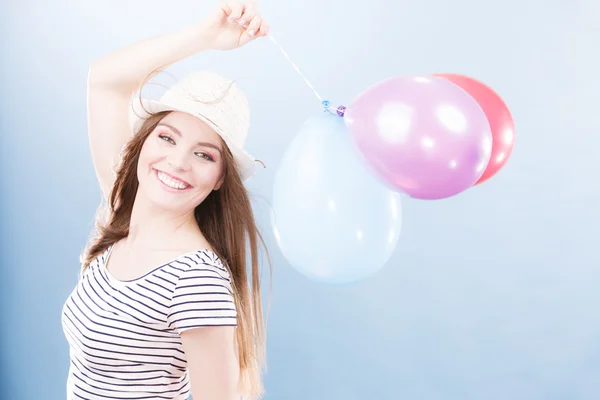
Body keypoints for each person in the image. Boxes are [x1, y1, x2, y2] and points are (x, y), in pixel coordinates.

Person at [61, 3, 271, 399]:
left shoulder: (195, 280)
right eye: (167, 137)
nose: (177, 162)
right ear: (144, 143)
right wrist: (203, 37)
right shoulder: (121, 210)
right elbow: (104, 80)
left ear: (219, 179)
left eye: (204, 154)